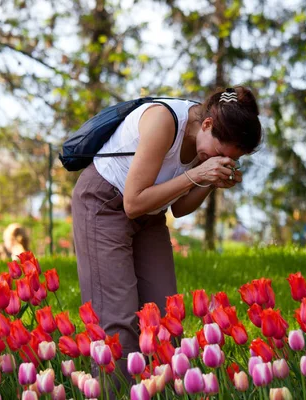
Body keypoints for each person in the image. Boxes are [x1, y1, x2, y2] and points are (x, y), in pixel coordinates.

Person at [71, 86, 262, 382]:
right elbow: (132, 203)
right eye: (220, 154)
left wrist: (211, 180)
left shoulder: (205, 139)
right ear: (208, 124)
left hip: (152, 215)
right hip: (104, 203)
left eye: (229, 159)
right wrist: (198, 174)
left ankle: (160, 390)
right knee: (118, 319)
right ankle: (115, 392)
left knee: (164, 317)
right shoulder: (164, 120)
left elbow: (181, 209)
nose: (219, 159)